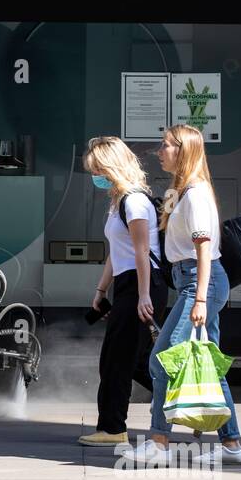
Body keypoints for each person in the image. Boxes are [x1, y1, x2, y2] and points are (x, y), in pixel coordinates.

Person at [121, 124, 241, 466]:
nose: (160, 151)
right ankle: (232, 444)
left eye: (165, 146)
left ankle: (159, 441)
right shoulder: (183, 191)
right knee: (210, 365)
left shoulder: (196, 195)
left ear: (184, 151)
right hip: (192, 280)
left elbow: (204, 249)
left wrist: (201, 299)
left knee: (164, 359)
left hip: (199, 281)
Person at [77, 137, 168, 447]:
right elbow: (117, 251)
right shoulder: (119, 201)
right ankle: (185, 404)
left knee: (117, 359)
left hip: (142, 284)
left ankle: (112, 428)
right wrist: (102, 289)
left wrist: (143, 296)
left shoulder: (135, 200)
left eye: (98, 169)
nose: (95, 176)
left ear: (111, 167)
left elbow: (142, 251)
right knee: (138, 360)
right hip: (129, 283)